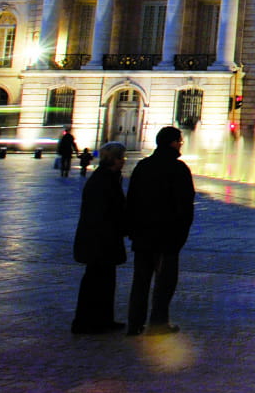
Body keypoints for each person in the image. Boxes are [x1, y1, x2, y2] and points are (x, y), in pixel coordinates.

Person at [126, 126, 195, 336]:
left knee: (140, 282)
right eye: (179, 141)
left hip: (143, 236)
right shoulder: (179, 169)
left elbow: (131, 201)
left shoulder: (143, 166)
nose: (181, 144)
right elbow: (185, 206)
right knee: (164, 283)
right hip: (167, 238)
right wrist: (180, 237)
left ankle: (134, 323)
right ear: (172, 143)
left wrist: (133, 230)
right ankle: (158, 323)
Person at [71, 142, 127, 334]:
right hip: (100, 239)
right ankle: (87, 322)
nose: (123, 162)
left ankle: (102, 319)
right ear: (113, 159)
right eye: (121, 158)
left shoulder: (106, 177)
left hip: (101, 238)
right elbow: (108, 210)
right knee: (96, 280)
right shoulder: (104, 180)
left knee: (103, 280)